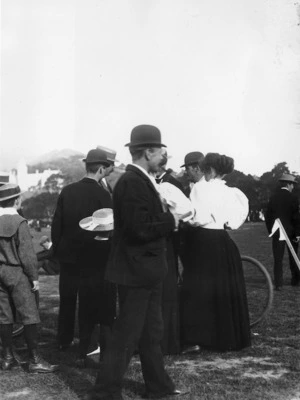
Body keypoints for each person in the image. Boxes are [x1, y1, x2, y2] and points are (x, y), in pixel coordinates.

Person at [86, 125, 185, 400]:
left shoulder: (140, 179)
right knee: (126, 336)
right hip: (137, 269)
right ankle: (104, 392)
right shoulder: (131, 182)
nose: (164, 156)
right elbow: (138, 228)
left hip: (147, 269)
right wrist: (171, 220)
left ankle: (159, 387)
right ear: (148, 152)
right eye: (161, 151)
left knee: (151, 333)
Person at [181, 152, 251, 352]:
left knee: (198, 288)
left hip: (202, 240)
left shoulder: (201, 188)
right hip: (223, 240)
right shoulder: (232, 192)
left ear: (210, 170)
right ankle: (227, 336)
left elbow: (195, 217)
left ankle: (196, 338)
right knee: (222, 290)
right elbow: (234, 220)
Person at [51, 148, 116, 361]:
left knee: (67, 299)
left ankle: (63, 339)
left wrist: (58, 251)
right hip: (93, 256)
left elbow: (56, 225)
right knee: (89, 302)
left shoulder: (67, 191)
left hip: (69, 256)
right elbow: (109, 227)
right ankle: (86, 343)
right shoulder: (103, 194)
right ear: (100, 169)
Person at [0, 183, 58, 372]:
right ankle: (35, 359)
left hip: (0, 272)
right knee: (30, 315)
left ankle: (7, 358)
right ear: (16, 200)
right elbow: (27, 255)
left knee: (4, 316)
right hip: (17, 273)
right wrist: (33, 278)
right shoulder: (20, 222)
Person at [265, 173, 300, 290]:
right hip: (291, 232)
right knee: (293, 257)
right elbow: (296, 218)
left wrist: (271, 230)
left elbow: (268, 216)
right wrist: (298, 234)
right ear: (289, 184)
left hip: (277, 231)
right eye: (292, 185)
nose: (293, 187)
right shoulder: (293, 198)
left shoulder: (273, 197)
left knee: (278, 258)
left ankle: (278, 283)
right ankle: (295, 280)